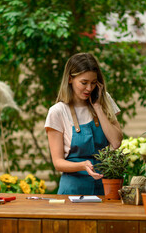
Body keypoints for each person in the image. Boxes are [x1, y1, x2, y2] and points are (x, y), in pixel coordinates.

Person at [45, 52, 123, 195]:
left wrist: (98, 107)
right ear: (70, 79)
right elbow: (58, 163)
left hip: (105, 187)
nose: (89, 88)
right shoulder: (57, 111)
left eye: (93, 83)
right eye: (84, 83)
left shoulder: (104, 100)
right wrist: (83, 165)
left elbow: (116, 142)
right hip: (73, 190)